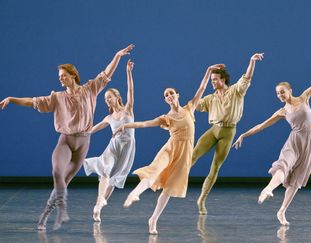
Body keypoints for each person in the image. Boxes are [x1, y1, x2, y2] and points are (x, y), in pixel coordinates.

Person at [0, 44, 135, 230]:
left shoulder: (90, 89)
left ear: (73, 75)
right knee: (57, 172)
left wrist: (118, 56)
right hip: (66, 140)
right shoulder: (57, 97)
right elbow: (34, 102)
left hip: (83, 143)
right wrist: (12, 99)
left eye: (64, 75)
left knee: (66, 182)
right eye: (59, 77)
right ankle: (57, 210)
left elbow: (105, 74)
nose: (61, 79)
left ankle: (45, 214)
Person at [233, 59, 311, 225]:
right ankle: (269, 188)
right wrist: (244, 134)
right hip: (294, 141)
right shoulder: (282, 111)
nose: (280, 95)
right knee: (283, 165)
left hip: (309, 144)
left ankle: (282, 212)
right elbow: (262, 126)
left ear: (290, 90)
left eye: (282, 92)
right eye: (278, 93)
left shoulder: (304, 98)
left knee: (296, 180)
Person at [114, 64, 224, 234]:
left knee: (169, 189)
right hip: (170, 149)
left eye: (171, 93)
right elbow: (144, 123)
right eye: (166, 95)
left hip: (184, 154)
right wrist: (126, 125)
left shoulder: (190, 108)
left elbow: (201, 88)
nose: (169, 96)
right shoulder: (166, 118)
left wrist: (209, 71)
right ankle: (135, 193)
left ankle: (153, 220)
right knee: (154, 171)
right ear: (165, 100)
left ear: (177, 95)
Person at [191, 53, 264, 215]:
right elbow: (194, 104)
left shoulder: (236, 91)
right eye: (211, 80)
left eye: (215, 79)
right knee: (193, 155)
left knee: (215, 166)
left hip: (228, 131)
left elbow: (247, 77)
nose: (213, 82)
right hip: (214, 130)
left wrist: (252, 61)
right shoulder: (210, 98)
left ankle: (202, 200)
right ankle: (173, 181)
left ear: (223, 80)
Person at [83, 59, 136, 222]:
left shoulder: (128, 109)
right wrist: (79, 134)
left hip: (127, 148)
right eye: (106, 99)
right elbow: (92, 129)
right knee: (105, 170)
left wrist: (128, 72)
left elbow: (130, 90)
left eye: (109, 97)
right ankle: (99, 200)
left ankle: (98, 207)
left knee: (114, 178)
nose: (107, 100)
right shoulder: (109, 117)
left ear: (117, 98)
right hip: (113, 147)